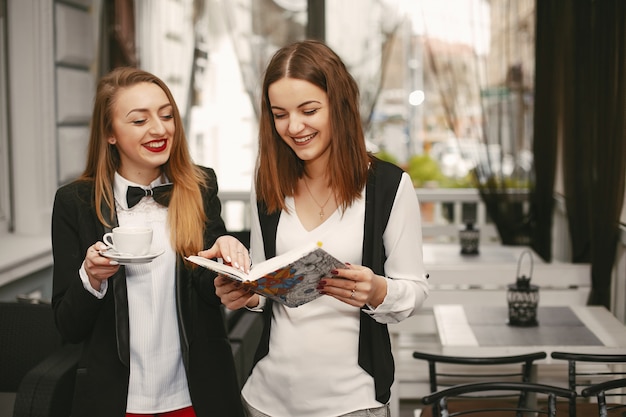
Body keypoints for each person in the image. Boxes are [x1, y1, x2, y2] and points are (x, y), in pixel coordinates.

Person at [206, 40, 430, 417]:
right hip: (267, 398)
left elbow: (415, 290)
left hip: (353, 401)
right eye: (280, 114)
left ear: (339, 106)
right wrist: (246, 293)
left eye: (308, 110)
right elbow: (263, 283)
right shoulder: (268, 183)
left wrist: (377, 289)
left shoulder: (388, 187)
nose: (294, 127)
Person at [51, 67, 247, 417]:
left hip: (197, 395)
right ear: (110, 133)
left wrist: (225, 262)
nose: (160, 129)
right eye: (139, 120)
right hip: (116, 400)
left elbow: (207, 285)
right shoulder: (75, 202)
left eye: (167, 115)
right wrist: (92, 278)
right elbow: (69, 327)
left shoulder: (201, 187)